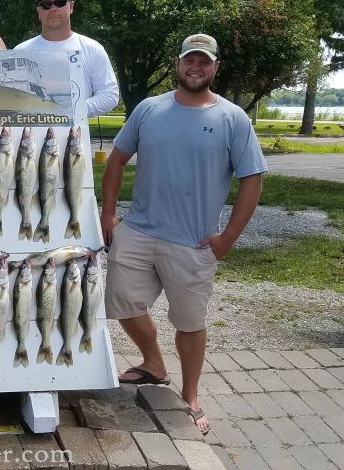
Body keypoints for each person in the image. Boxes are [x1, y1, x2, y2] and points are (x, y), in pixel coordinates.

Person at [100, 33, 266, 435]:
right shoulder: (148, 109)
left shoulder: (232, 118)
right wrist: (108, 214)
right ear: (177, 64)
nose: (196, 68)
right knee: (121, 304)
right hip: (137, 231)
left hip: (192, 242)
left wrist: (227, 237)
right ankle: (153, 363)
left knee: (189, 323)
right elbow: (117, 159)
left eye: (204, 62)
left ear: (215, 68)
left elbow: (253, 179)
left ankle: (190, 396)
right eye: (190, 60)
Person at [14, 0, 119, 117]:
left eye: (60, 2)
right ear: (38, 11)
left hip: (76, 137)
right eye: (46, 4)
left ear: (71, 6)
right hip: (29, 136)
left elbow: (110, 95)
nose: (53, 8)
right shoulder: (20, 51)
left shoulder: (92, 49)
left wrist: (74, 110)